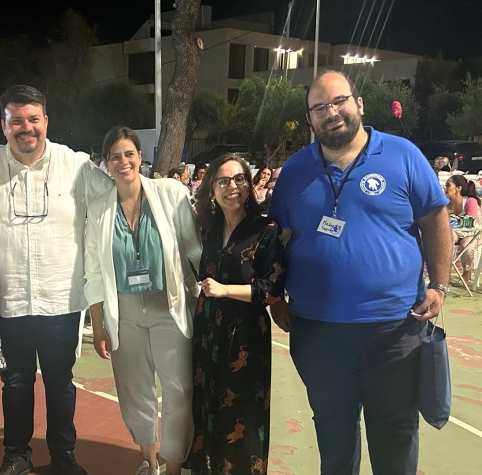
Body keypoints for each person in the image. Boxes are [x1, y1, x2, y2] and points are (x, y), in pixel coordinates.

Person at [267, 70, 451, 475]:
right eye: (319, 107)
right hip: (318, 332)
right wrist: (275, 297)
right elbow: (276, 239)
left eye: (339, 101)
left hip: (394, 329)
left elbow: (435, 218)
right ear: (310, 118)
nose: (331, 113)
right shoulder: (294, 171)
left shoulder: (402, 155)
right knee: (334, 437)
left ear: (359, 104)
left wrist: (439, 284)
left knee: (394, 435)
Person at [0, 85, 113, 475]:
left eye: (33, 119)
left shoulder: (76, 165)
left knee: (60, 382)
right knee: (15, 382)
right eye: (16, 120)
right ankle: (17, 454)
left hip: (60, 299)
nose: (26, 128)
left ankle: (63, 453)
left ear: (46, 121)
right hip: (11, 299)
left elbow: (119, 194)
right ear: (4, 125)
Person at [85, 126, 201, 475]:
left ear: (140, 157)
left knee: (179, 389)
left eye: (129, 154)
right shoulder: (99, 209)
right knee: (135, 392)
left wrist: (202, 300)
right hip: (124, 313)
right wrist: (99, 326)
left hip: (169, 306)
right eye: (115, 156)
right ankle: (149, 462)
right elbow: (93, 272)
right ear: (106, 163)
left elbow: (194, 250)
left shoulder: (170, 193)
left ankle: (174, 465)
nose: (123, 162)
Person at [187, 153, 285, 475]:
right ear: (212, 188)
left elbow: (271, 288)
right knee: (206, 403)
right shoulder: (207, 230)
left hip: (245, 334)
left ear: (249, 184)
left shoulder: (265, 230)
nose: (233, 187)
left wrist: (225, 289)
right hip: (208, 328)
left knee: (243, 411)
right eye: (223, 181)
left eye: (239, 179)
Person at [445, 174, 482, 282]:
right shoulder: (445, 202)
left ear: (458, 188)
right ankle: (443, 269)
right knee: (446, 238)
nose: (445, 188)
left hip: (474, 233)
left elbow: (470, 222)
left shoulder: (470, 201)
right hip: (456, 232)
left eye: (448, 185)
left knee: (466, 244)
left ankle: (467, 272)